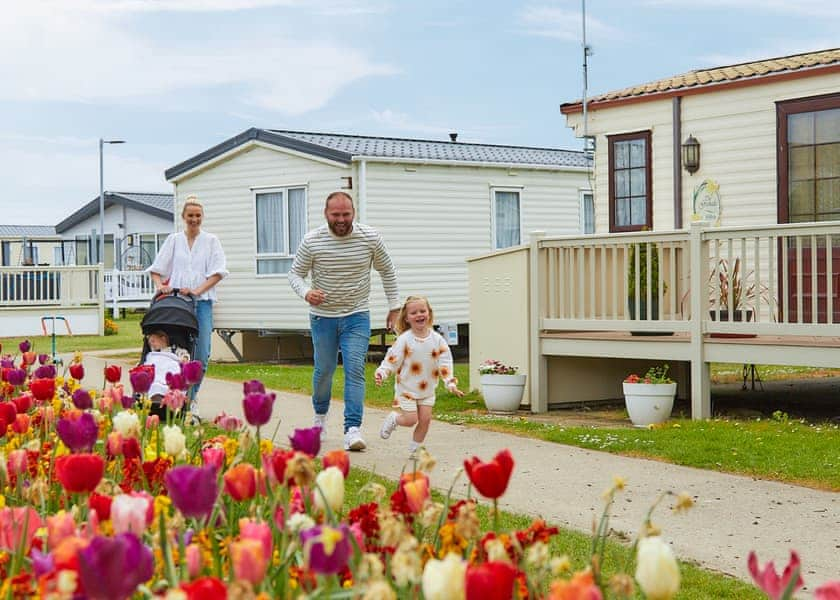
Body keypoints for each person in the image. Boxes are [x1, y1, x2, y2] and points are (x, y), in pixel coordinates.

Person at [289, 191, 400, 451]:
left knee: (355, 370)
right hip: (323, 317)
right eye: (335, 215)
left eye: (346, 214)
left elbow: (387, 270)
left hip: (357, 315)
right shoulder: (312, 241)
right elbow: (295, 274)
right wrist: (306, 292)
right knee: (324, 371)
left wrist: (394, 306)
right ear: (326, 214)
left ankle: (352, 429)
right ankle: (319, 419)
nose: (341, 219)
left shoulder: (370, 238)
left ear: (354, 213)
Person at [148, 196, 228, 423]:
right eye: (190, 215)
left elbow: (218, 272)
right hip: (177, 304)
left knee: (201, 354)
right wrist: (160, 286)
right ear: (183, 217)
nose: (194, 219)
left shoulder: (211, 241)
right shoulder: (174, 240)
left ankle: (192, 399)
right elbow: (156, 270)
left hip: (201, 303)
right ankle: (169, 396)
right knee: (177, 352)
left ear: (202, 218)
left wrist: (197, 290)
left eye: (198, 216)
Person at [375, 295, 463, 455]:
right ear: (407, 318)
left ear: (429, 313)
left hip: (427, 389)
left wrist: (450, 382)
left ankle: (414, 450)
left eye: (422, 311)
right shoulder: (404, 340)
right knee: (410, 420)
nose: (419, 315)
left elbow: (445, 362)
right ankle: (394, 419)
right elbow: (392, 359)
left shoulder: (438, 340)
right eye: (414, 313)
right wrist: (382, 372)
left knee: (425, 420)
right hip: (407, 389)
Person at [144, 330, 189, 404]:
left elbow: (184, 354)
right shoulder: (153, 354)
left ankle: (164, 396)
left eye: (153, 341)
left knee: (173, 372)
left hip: (170, 368)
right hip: (156, 372)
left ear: (163, 339)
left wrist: (184, 358)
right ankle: (157, 398)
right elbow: (149, 362)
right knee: (155, 384)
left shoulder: (173, 349)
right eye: (150, 344)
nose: (152, 345)